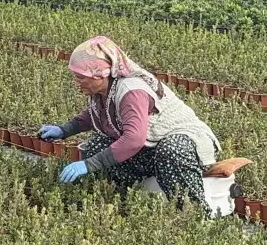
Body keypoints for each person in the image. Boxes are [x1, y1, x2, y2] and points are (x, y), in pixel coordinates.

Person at [39, 36, 221, 213]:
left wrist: (89, 165)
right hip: (152, 146)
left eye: (81, 77)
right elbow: (98, 115)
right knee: (97, 145)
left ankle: (194, 214)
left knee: (171, 150)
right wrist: (64, 130)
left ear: (99, 74)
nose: (76, 82)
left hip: (186, 145)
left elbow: (133, 139)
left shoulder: (131, 91)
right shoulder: (104, 90)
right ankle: (125, 203)